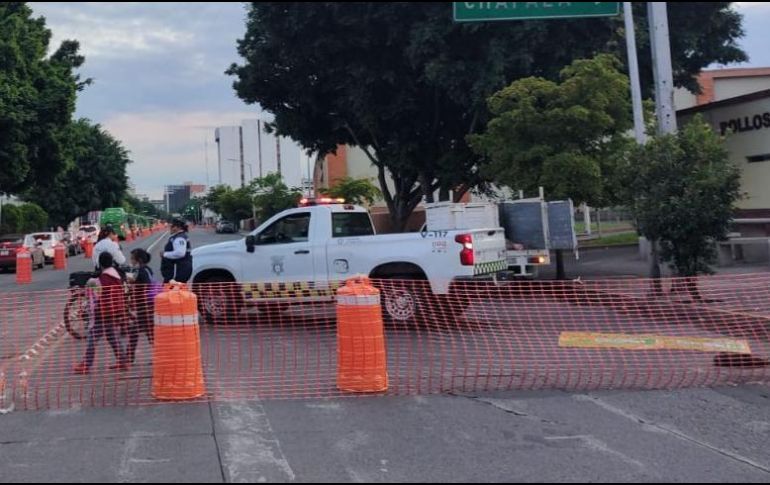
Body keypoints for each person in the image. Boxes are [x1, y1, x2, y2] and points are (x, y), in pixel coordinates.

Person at [73, 252, 128, 374]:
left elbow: (94, 294)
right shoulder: (116, 276)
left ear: (100, 264)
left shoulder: (100, 279)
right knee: (112, 337)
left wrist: (89, 284)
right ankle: (123, 361)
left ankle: (86, 364)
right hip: (115, 310)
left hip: (103, 312)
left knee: (92, 339)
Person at [126, 248, 155, 364]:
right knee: (148, 333)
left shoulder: (142, 271)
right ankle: (129, 356)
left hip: (145, 306)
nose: (131, 260)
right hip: (146, 306)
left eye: (132, 258)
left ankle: (129, 357)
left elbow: (146, 285)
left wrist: (134, 283)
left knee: (138, 332)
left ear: (138, 260)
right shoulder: (146, 269)